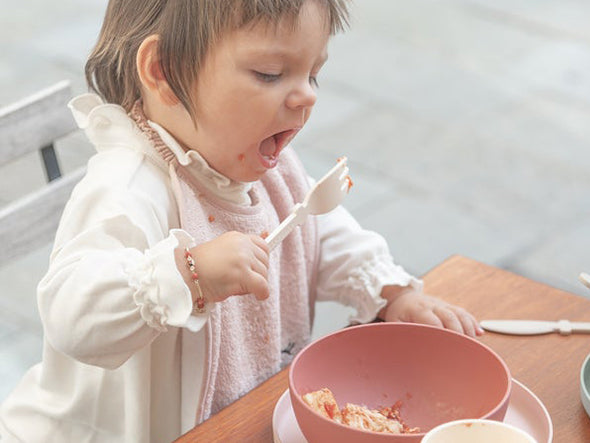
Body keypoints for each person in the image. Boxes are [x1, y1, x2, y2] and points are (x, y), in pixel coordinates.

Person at [0, 0, 483, 441]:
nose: (305, 97)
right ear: (163, 71)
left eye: (313, 74)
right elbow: (71, 316)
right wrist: (187, 273)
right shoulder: (126, 190)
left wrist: (387, 290)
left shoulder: (256, 164)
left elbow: (311, 230)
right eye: (271, 73)